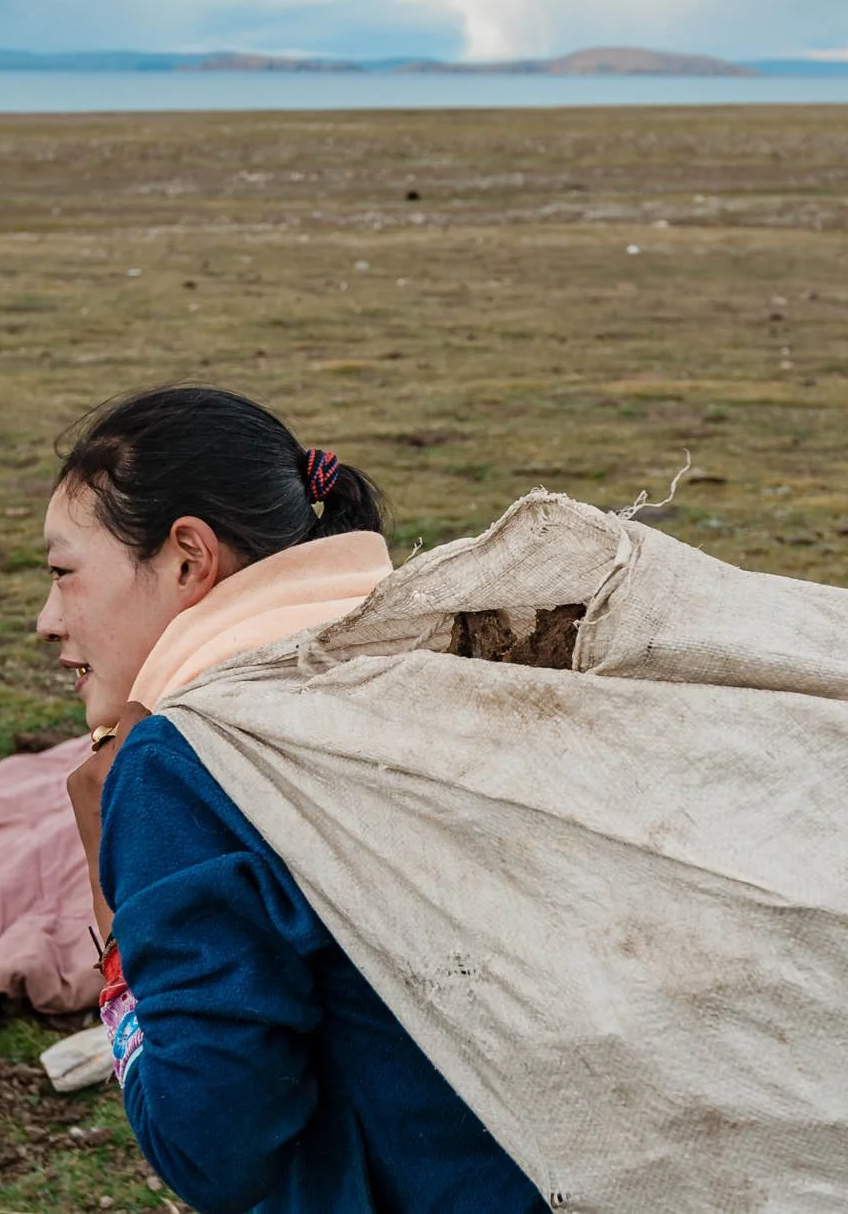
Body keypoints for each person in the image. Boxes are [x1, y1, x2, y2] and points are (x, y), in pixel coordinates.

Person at [37, 385, 548, 1214]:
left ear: (189, 558)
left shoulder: (185, 764)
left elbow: (213, 1151)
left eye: (64, 573)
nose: (46, 618)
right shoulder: (442, 655)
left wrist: (111, 916)